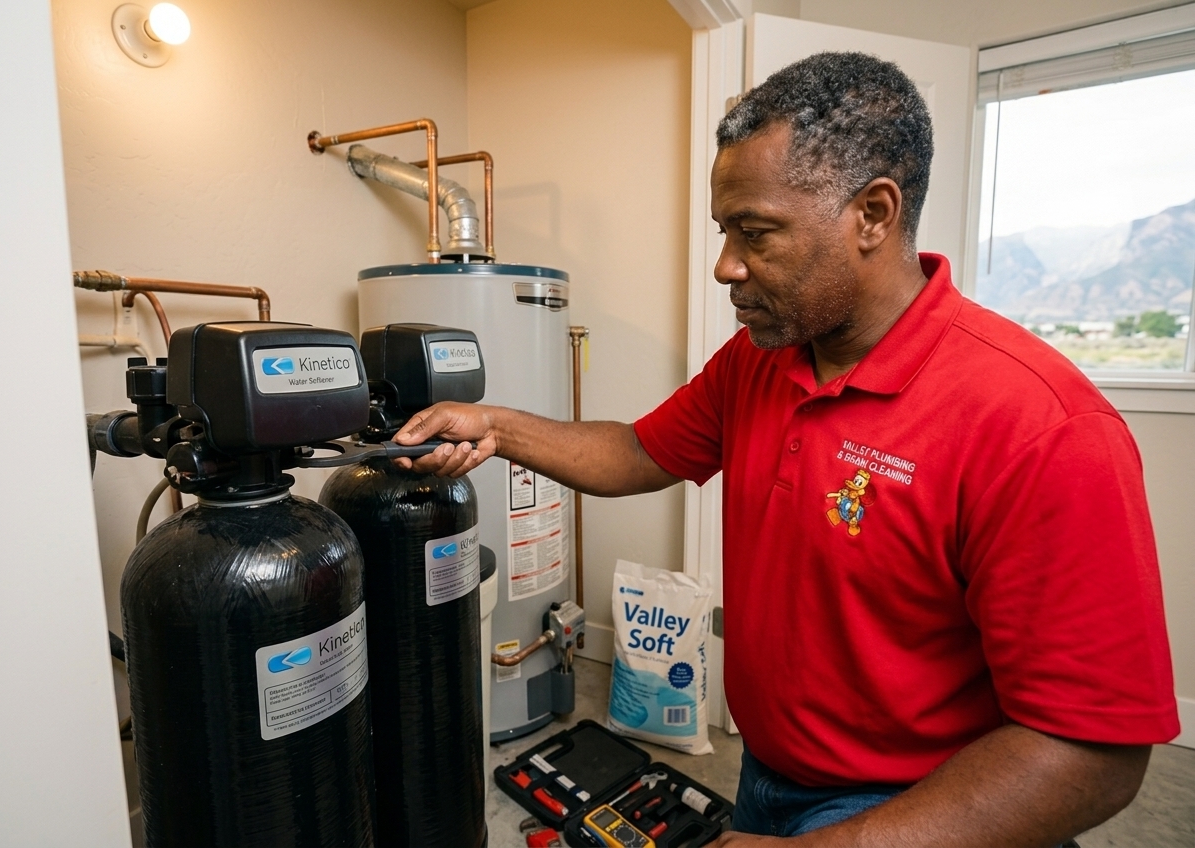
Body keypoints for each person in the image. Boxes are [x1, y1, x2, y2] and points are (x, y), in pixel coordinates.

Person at [393, 52, 1179, 846]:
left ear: (873, 214)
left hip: (924, 811)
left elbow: (1092, 751)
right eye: (725, 230)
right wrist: (495, 427)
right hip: (768, 775)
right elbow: (636, 452)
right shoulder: (762, 360)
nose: (725, 265)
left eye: (755, 232)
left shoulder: (1042, 427)